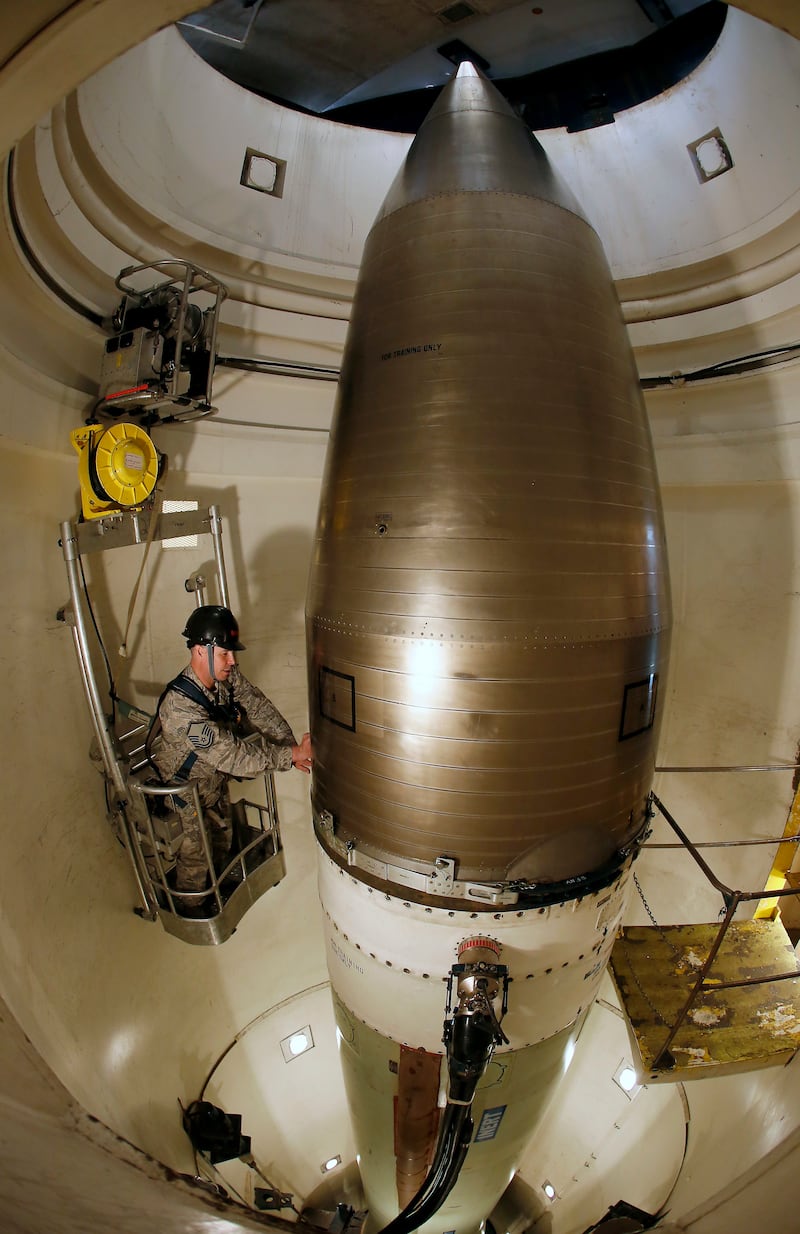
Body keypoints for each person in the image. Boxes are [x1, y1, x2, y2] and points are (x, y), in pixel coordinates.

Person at [149, 605, 312, 914]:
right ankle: (192, 907)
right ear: (200, 651)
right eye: (225, 654)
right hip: (186, 797)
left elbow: (257, 706)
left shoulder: (225, 678)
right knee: (196, 860)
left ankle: (217, 892)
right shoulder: (180, 709)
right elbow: (233, 756)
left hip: (211, 784)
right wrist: (290, 756)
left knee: (223, 840)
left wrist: (290, 746)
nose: (232, 661)